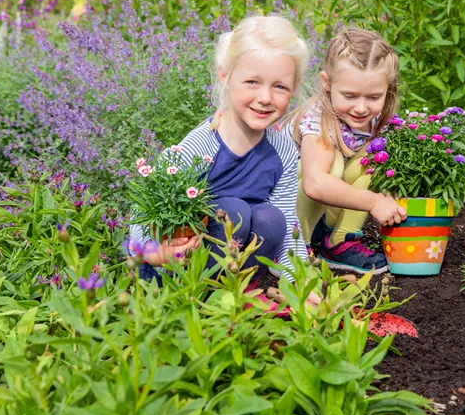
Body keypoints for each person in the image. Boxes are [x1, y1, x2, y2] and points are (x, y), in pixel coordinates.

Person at [131, 15, 309, 287]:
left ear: (293, 88)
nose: (265, 98)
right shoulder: (201, 145)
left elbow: (287, 220)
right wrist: (152, 252)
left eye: (279, 86)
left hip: (235, 261)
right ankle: (200, 293)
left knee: (272, 219)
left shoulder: (282, 149)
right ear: (225, 76)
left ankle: (236, 290)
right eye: (252, 82)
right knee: (234, 212)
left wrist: (300, 280)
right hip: (179, 267)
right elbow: (144, 206)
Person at [286, 28, 407, 273]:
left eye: (373, 97)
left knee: (378, 160)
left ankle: (339, 241)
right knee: (332, 165)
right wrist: (374, 202)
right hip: (283, 208)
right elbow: (315, 184)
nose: (361, 108)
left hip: (322, 210)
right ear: (326, 82)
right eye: (350, 95)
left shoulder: (377, 121)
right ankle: (295, 248)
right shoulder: (317, 119)